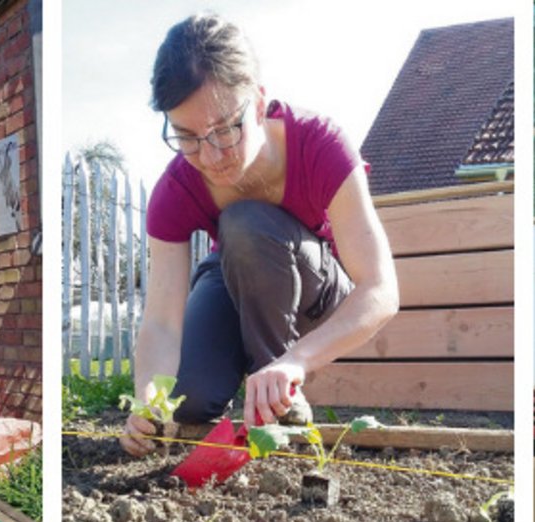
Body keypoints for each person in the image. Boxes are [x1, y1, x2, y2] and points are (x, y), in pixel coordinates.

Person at [119, 12, 398, 457]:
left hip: (317, 292)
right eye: (187, 137)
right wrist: (149, 400)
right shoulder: (174, 191)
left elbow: (380, 290)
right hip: (233, 273)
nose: (211, 157)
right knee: (186, 401)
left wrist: (294, 362)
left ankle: (280, 399)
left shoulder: (321, 145)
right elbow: (161, 322)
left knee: (245, 223)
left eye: (225, 130)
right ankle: (252, 390)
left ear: (260, 102)